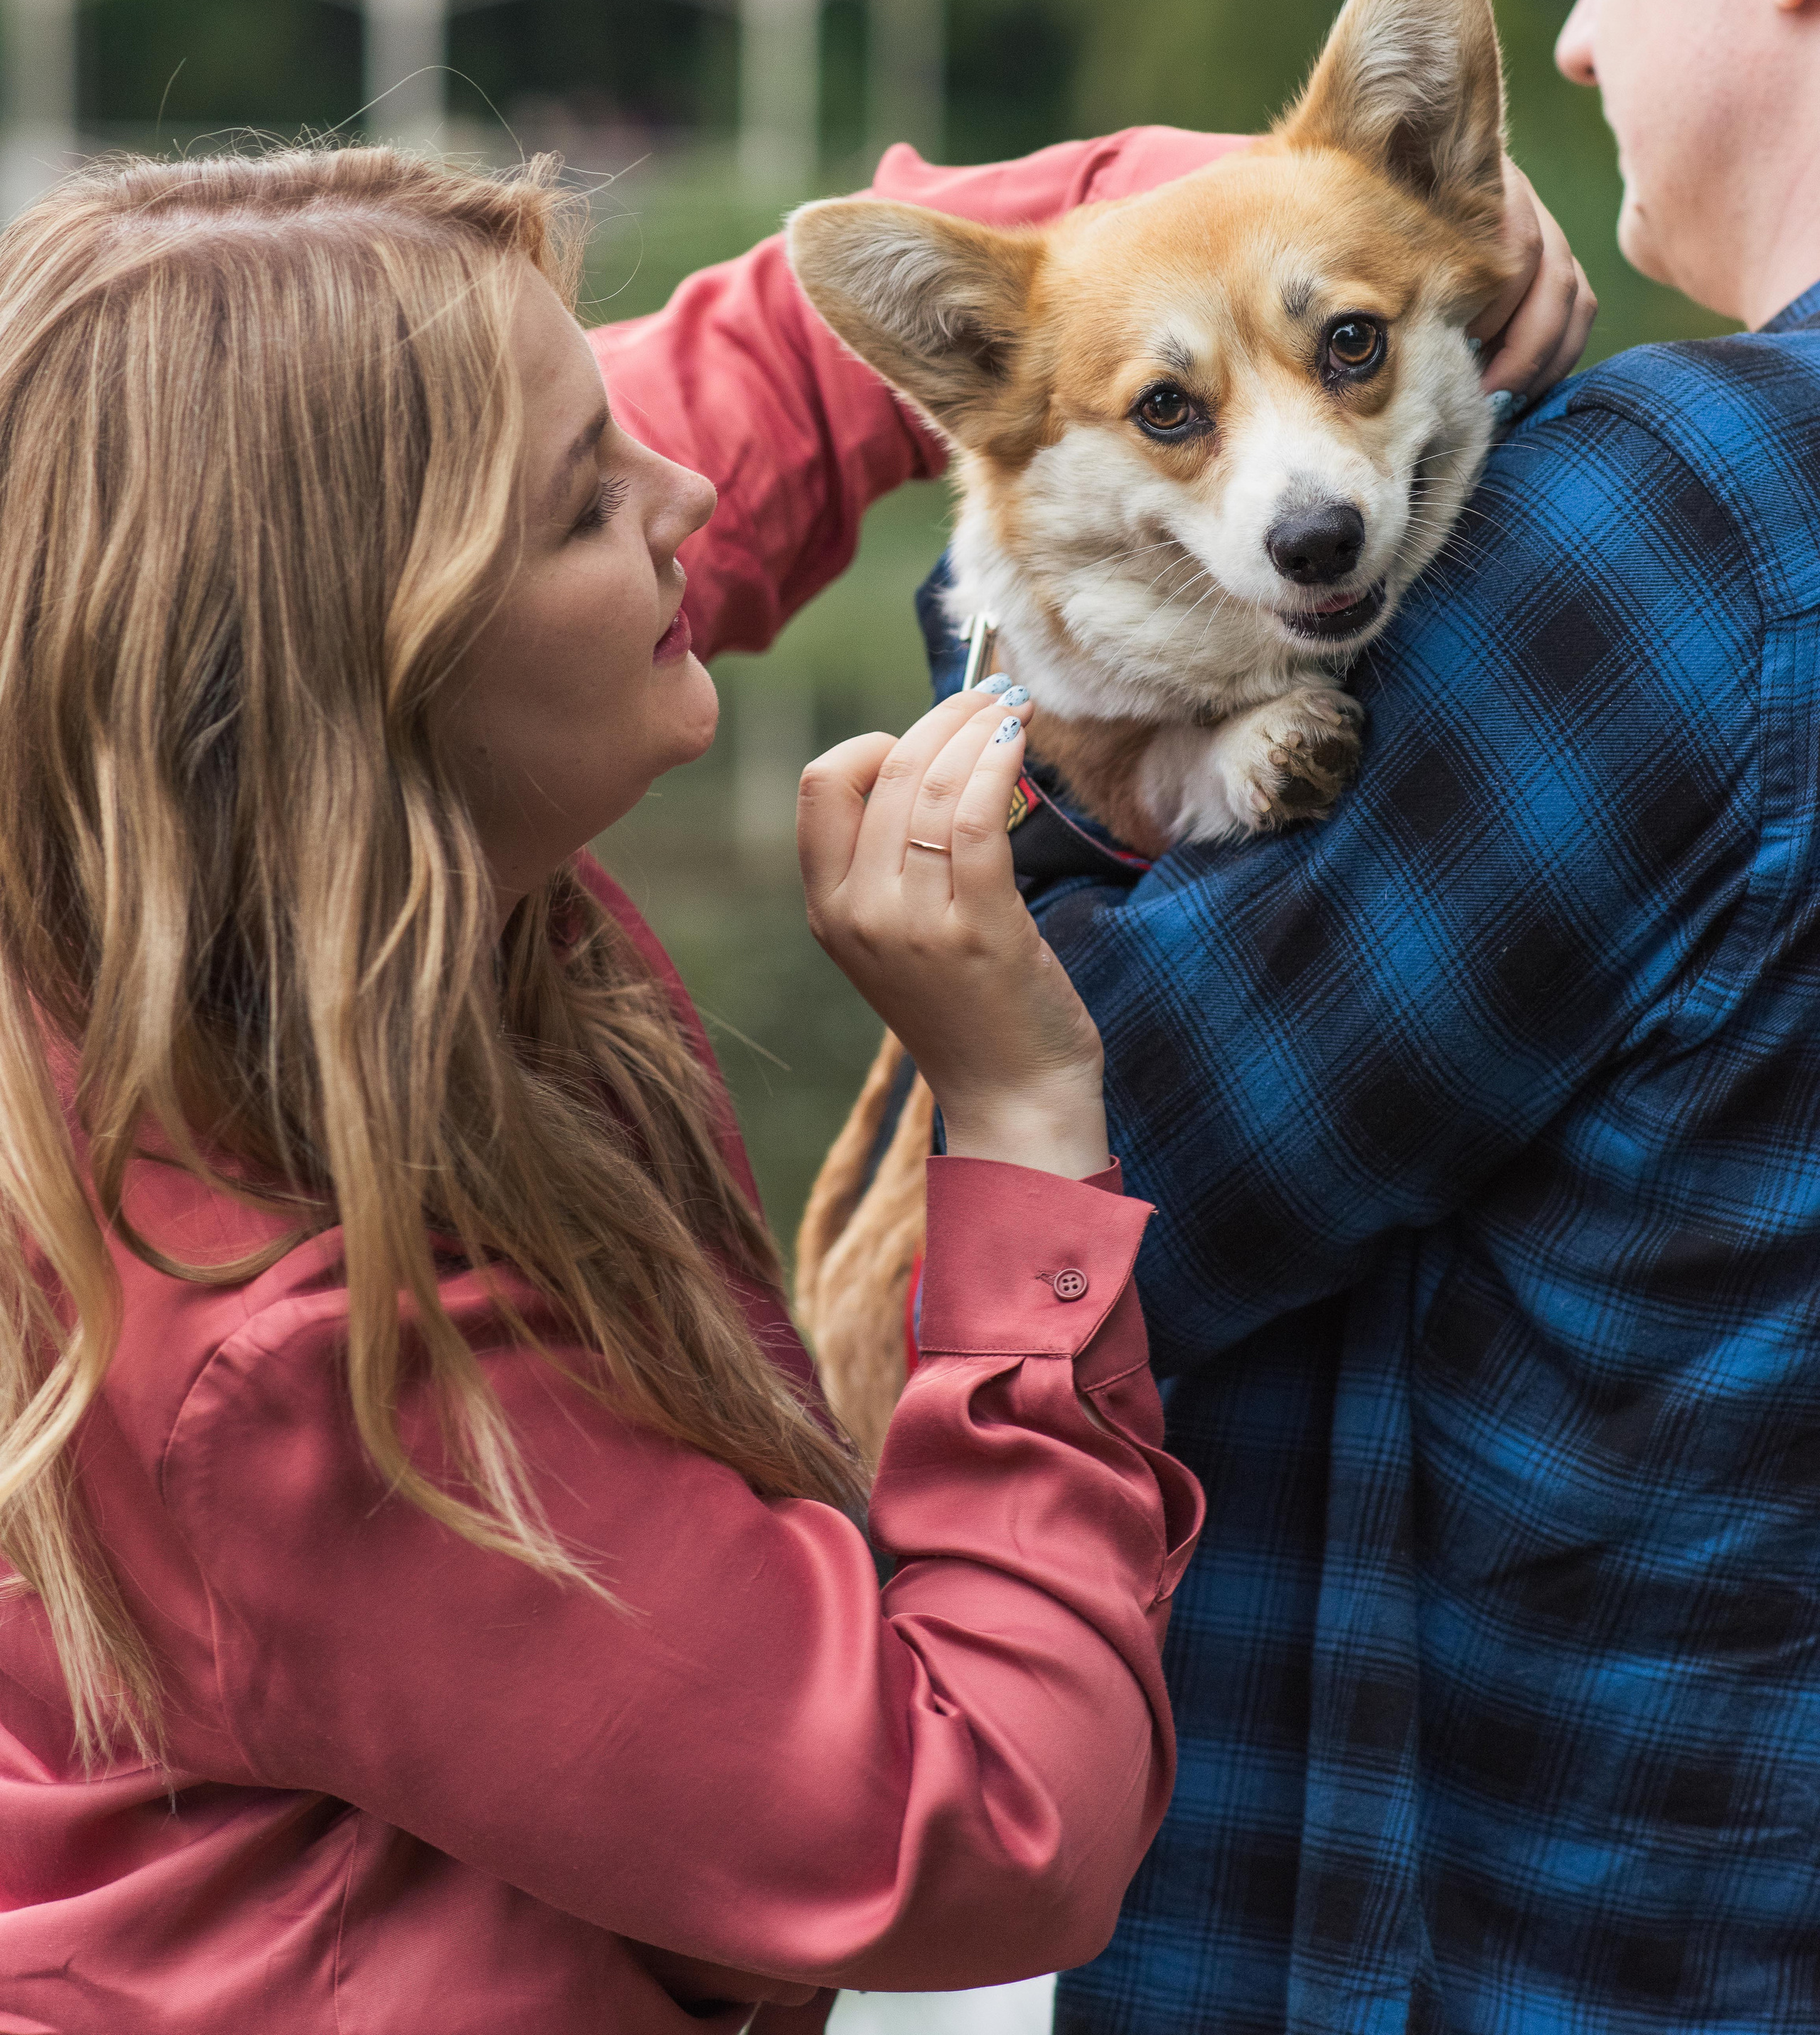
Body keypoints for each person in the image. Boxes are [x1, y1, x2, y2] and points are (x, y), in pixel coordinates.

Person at [597, 0, 1820, 2023]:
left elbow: (1099, 1196)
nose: (1562, 44)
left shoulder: (1672, 534)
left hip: (1519, 1943)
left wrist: (1037, 754)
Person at [0, 144, 1208, 2035]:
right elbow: (986, 1821)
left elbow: (757, 386)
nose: (685, 496)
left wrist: (1209, 197)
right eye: (585, 507)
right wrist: (1023, 1117)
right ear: (368, 702)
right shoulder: (307, 1369)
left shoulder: (211, 864)